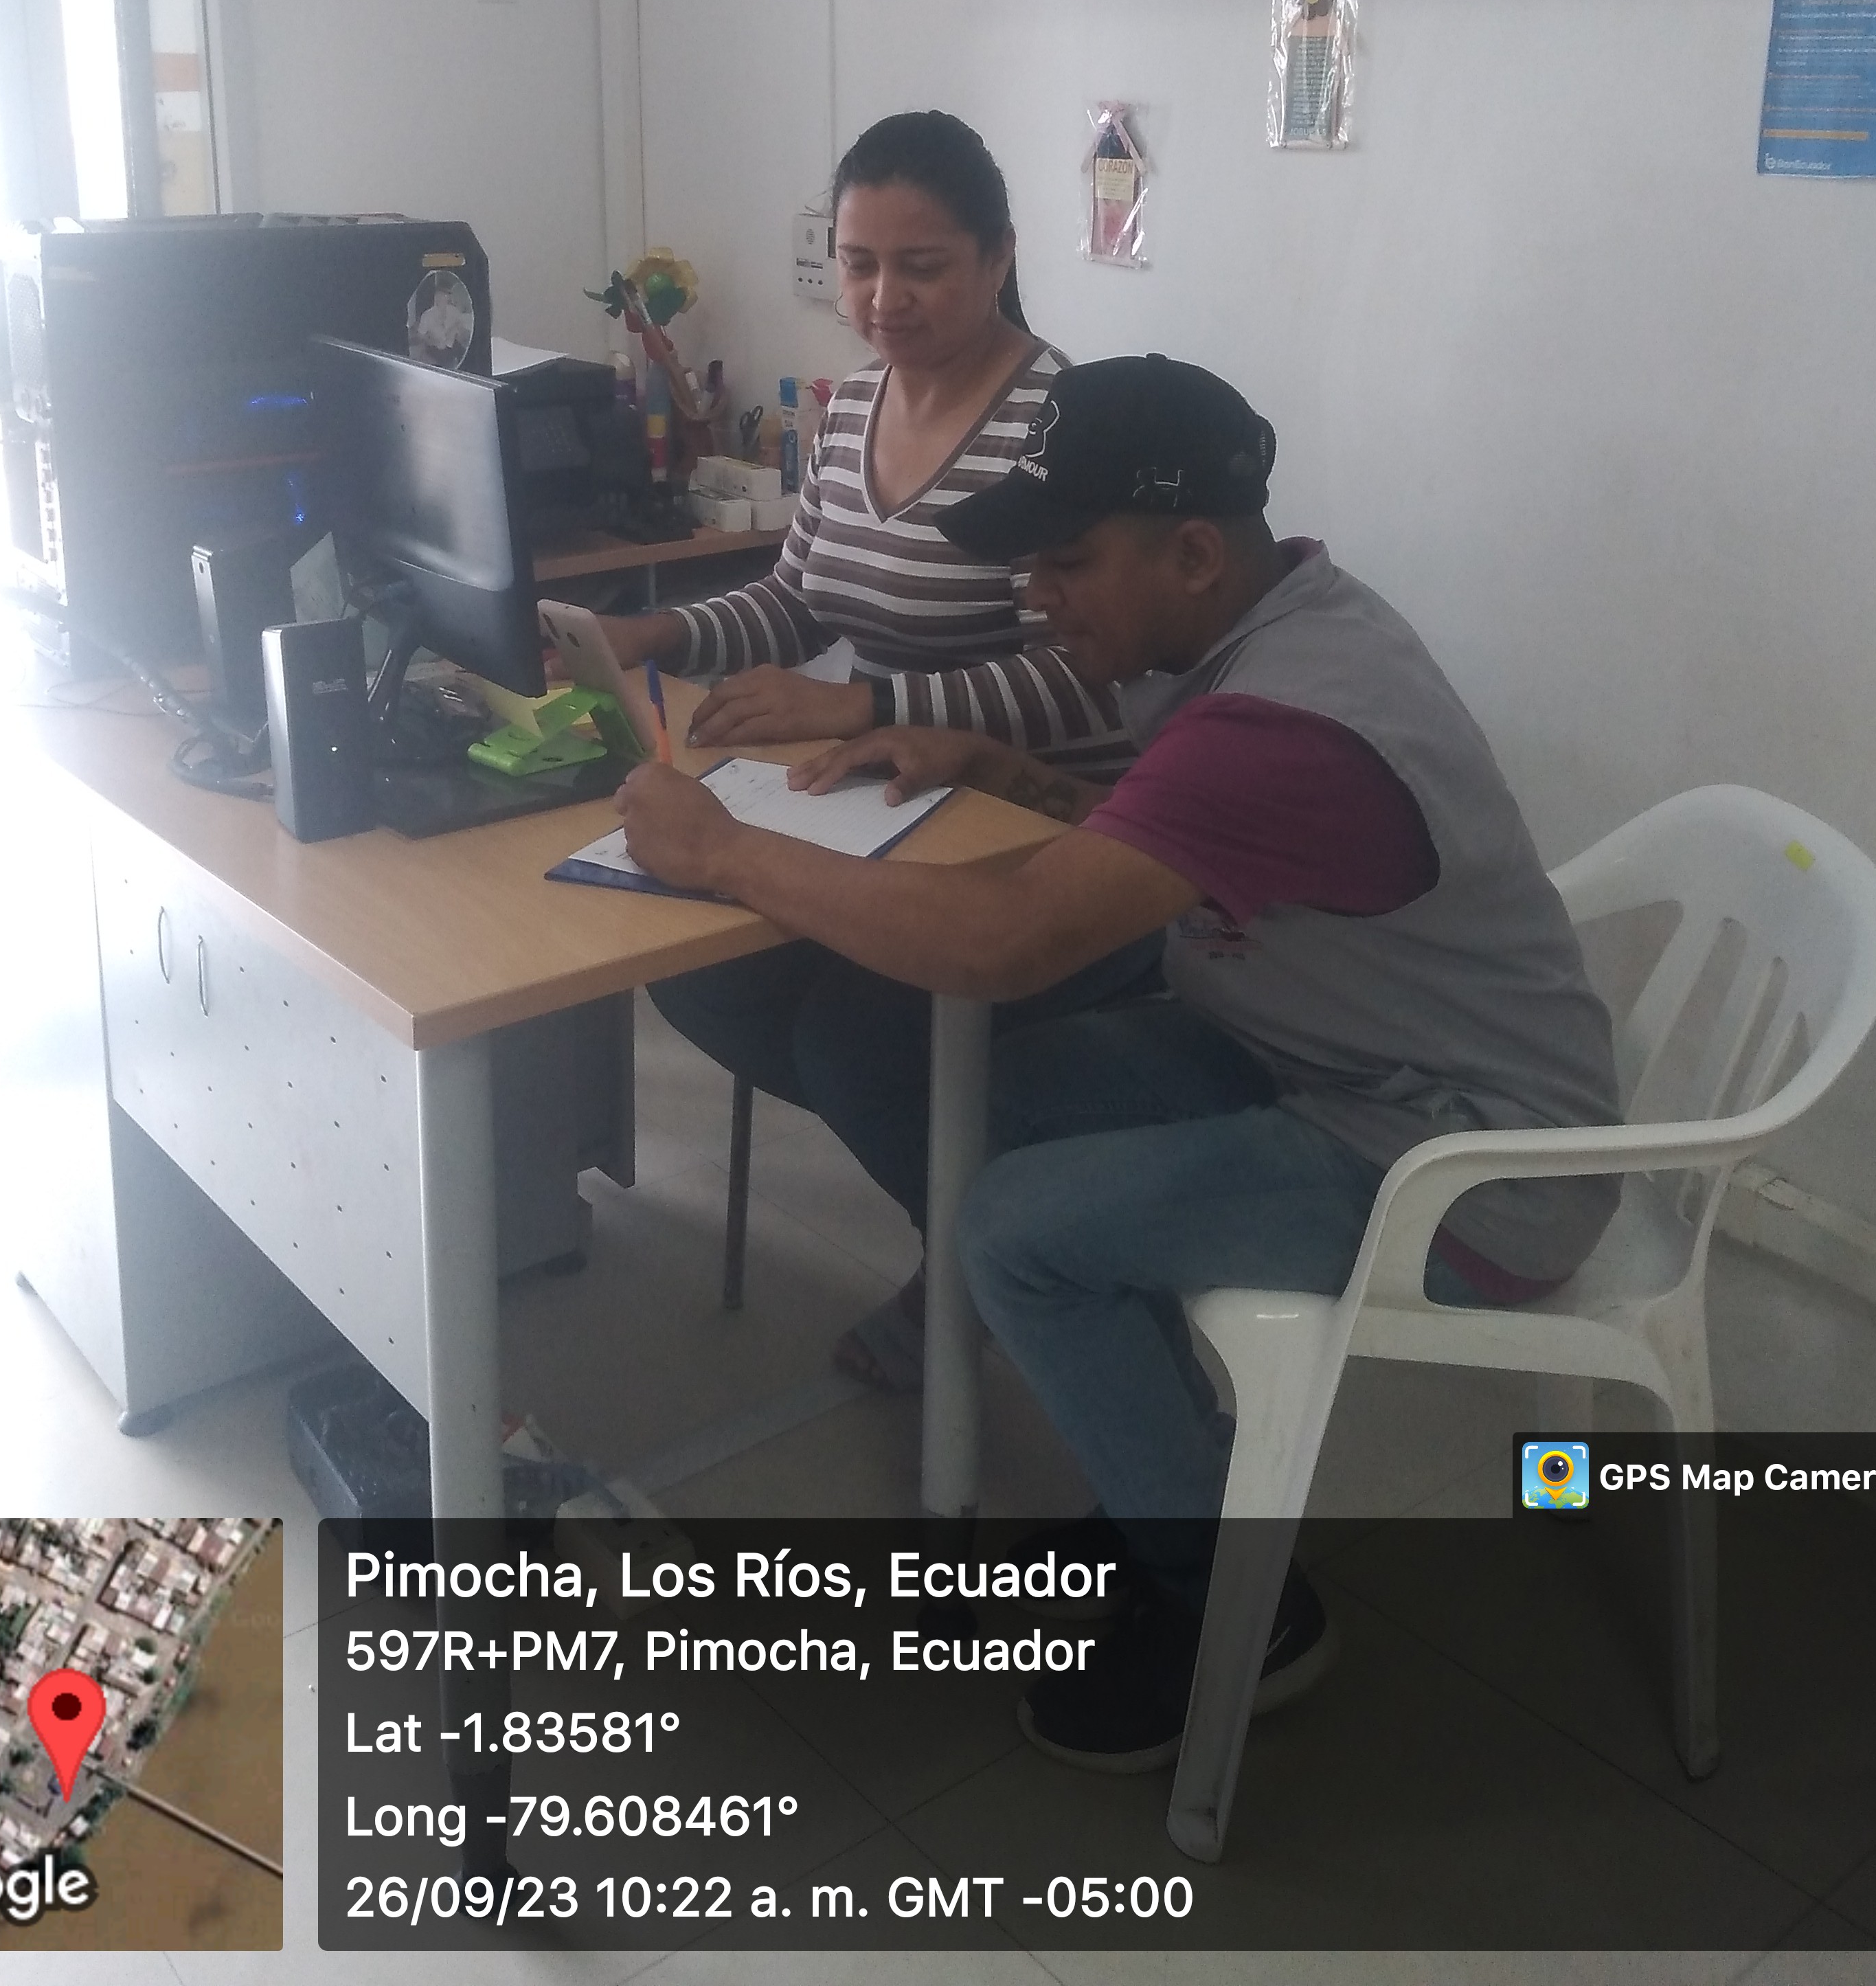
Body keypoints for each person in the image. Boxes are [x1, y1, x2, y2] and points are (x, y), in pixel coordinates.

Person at [615, 354, 1620, 1770]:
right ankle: (1173, 1473)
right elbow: (1160, 831)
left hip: (1464, 1166)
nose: (1040, 597)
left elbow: (1007, 942)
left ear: (1194, 552)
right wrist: (992, 764)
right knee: (984, 1101)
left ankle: (1239, 1606)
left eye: (1068, 563)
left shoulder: (1282, 721)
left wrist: (723, 852)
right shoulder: (1277, 626)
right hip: (1319, 1059)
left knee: (1014, 1229)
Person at [602, 110, 1142, 1387]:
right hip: (890, 807)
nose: (883, 299)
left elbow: (1090, 674)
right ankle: (979, 1217)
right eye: (859, 265)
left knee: (855, 1033)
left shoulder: (1061, 427)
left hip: (1048, 824)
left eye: (923, 266)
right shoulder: (850, 411)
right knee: (697, 970)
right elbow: (799, 599)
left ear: (999, 258)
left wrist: (872, 704)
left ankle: (993, 1261)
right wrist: (655, 632)